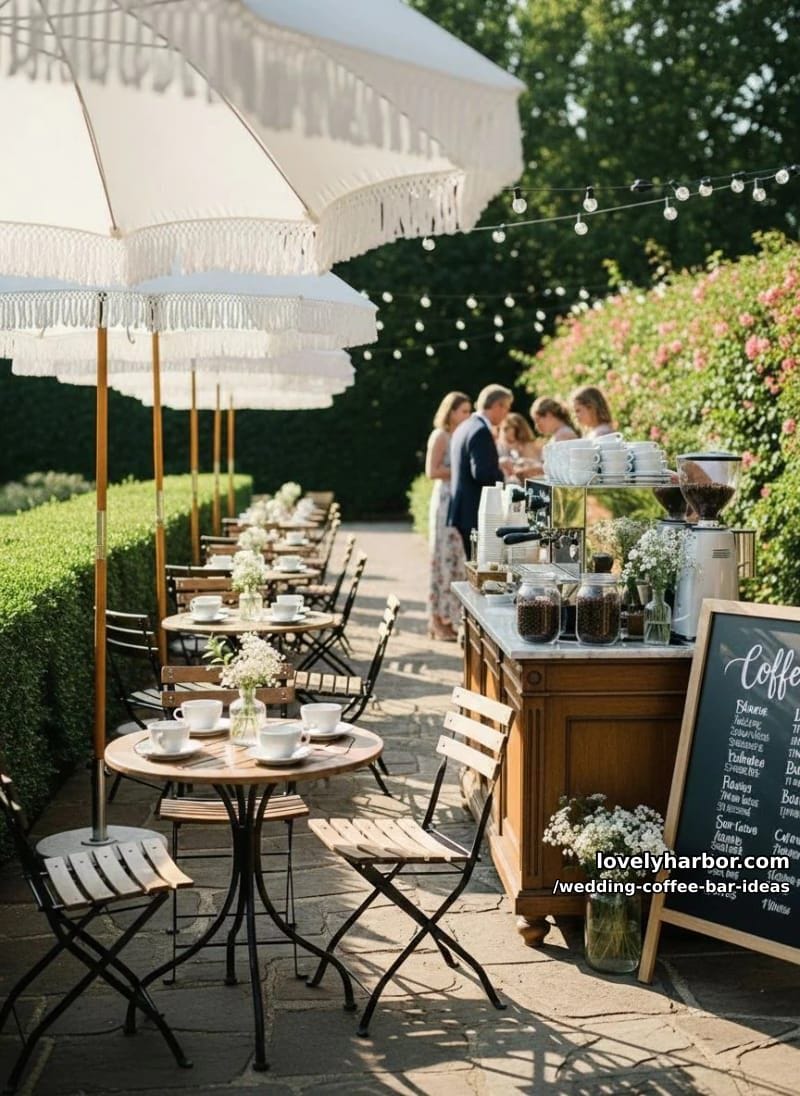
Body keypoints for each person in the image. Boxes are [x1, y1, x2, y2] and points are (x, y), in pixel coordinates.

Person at [425, 391, 473, 641]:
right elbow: (431, 471)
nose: (468, 415)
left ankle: (450, 618)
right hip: (444, 500)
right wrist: (461, 470)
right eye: (464, 410)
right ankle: (436, 619)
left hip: (458, 498)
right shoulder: (440, 435)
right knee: (441, 559)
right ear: (451, 411)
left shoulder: (460, 434)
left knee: (455, 560)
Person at [447, 383, 513, 554]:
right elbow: (482, 473)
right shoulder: (481, 431)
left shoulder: (465, 426)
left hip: (463, 508)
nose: (507, 414)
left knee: (472, 566)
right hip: (475, 511)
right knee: (481, 567)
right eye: (506, 408)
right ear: (498, 405)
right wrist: (505, 477)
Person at [498, 412, 542, 482]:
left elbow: (533, 472)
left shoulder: (529, 446)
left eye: (506, 428)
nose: (503, 433)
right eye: (504, 429)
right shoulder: (502, 447)